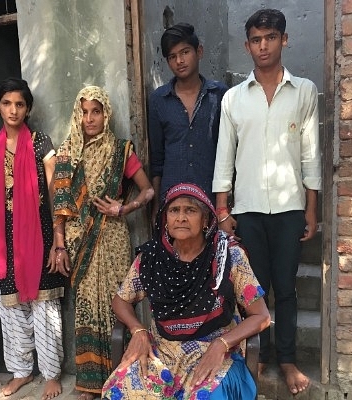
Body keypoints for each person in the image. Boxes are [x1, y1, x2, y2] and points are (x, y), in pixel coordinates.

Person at [212, 8, 321, 395]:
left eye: (270, 38)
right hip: (248, 210)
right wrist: (222, 211)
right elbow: (224, 156)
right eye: (256, 40)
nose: (263, 46)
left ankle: (287, 360)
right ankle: (252, 357)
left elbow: (311, 154)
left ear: (284, 40)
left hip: (290, 208)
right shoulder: (233, 99)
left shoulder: (304, 91)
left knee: (286, 288)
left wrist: (311, 208)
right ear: (247, 46)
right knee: (250, 290)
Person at [101, 183, 271, 400]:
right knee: (121, 393)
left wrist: (222, 344)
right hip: (162, 353)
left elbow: (262, 316)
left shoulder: (228, 256)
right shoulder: (152, 258)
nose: (181, 217)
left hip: (216, 351)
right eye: (174, 210)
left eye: (190, 210)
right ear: (166, 220)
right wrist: (138, 330)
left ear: (205, 220)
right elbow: (120, 300)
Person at [53, 86, 154, 400]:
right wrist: (58, 243)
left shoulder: (121, 149)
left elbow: (148, 191)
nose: (89, 118)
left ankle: (121, 377)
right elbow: (60, 205)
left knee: (115, 307)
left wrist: (123, 208)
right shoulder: (68, 151)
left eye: (95, 111)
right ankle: (89, 384)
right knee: (85, 309)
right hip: (79, 242)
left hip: (112, 239)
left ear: (105, 113)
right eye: (84, 112)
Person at [0, 78, 65, 399]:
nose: (13, 110)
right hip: (5, 239)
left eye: (19, 104)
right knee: (12, 308)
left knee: (44, 306)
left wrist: (58, 240)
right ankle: (20, 371)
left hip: (40, 235)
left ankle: (51, 373)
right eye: (7, 103)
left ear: (28, 108)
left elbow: (56, 194)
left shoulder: (41, 142)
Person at [148, 22, 228, 219]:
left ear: (199, 51)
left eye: (185, 52)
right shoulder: (159, 100)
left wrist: (225, 204)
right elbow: (157, 160)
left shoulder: (220, 95)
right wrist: (157, 206)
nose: (179, 61)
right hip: (173, 202)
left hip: (211, 198)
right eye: (172, 57)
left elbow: (229, 152)